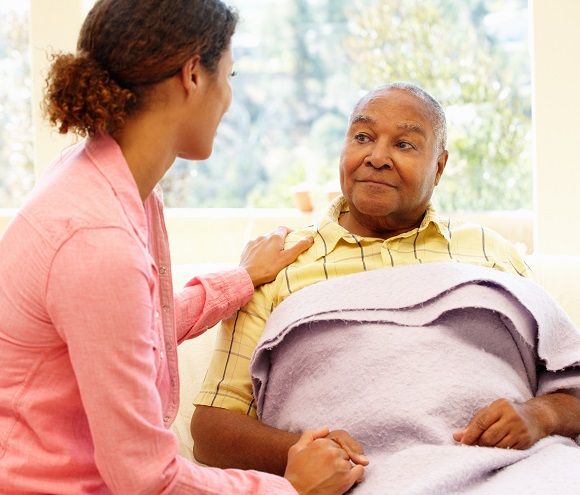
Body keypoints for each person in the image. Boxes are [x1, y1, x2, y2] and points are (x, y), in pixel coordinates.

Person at [0, 1, 366, 494]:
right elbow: (146, 479)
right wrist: (291, 488)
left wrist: (240, 280)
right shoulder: (97, 239)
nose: (230, 97)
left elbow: (130, 329)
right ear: (194, 74)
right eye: (229, 74)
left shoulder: (106, 181)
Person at [191, 82, 543, 474]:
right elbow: (210, 430)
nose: (377, 157)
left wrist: (541, 416)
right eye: (363, 137)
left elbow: (567, 378)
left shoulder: (489, 252)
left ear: (439, 167)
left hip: (500, 471)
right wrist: (301, 451)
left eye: (404, 145)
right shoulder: (279, 265)